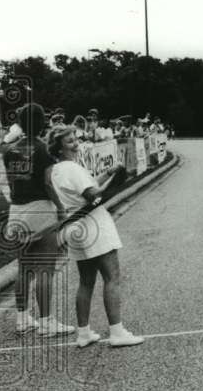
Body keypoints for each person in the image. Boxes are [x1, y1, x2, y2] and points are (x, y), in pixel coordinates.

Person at [47, 125, 144, 348]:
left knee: (86, 281)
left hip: (75, 227)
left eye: (75, 139)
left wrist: (108, 173)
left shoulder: (56, 170)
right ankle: (117, 332)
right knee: (112, 277)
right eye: (69, 141)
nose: (75, 143)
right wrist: (118, 177)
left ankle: (83, 333)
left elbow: (88, 187)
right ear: (59, 148)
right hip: (93, 225)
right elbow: (95, 196)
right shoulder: (73, 168)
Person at [0, 103, 74, 337]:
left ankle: (22, 318)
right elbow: (48, 183)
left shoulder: (10, 149)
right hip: (40, 209)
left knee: (24, 268)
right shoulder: (43, 149)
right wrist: (61, 209)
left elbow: (11, 181)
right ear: (41, 123)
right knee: (44, 269)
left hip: (17, 210)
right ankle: (47, 322)